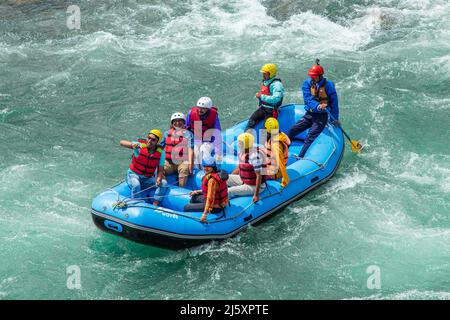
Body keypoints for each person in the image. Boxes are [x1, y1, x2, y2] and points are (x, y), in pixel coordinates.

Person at [288, 60, 340, 158]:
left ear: (320, 76)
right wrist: (317, 106)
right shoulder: (306, 83)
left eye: (314, 76)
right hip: (310, 114)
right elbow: (307, 100)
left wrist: (335, 119)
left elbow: (334, 103)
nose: (312, 77)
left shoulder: (328, 86)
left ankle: (301, 157)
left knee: (309, 137)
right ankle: (283, 151)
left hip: (321, 116)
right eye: (311, 76)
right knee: (292, 130)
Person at [120, 129, 168, 206]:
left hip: (147, 179)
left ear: (157, 142)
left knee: (164, 183)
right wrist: (132, 145)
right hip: (133, 175)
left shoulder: (161, 153)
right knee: (136, 185)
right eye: (149, 138)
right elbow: (121, 142)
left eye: (153, 140)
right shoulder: (139, 146)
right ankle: (136, 203)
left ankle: (155, 203)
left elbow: (160, 170)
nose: (149, 141)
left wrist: (159, 178)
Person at [184, 156, 229, 223]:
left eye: (208, 166)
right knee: (194, 197)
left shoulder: (212, 180)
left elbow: (209, 198)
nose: (205, 168)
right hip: (217, 202)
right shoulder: (216, 174)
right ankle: (196, 209)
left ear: (212, 167)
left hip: (216, 207)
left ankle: (193, 219)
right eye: (204, 166)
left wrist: (204, 215)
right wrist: (196, 191)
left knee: (186, 207)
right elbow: (212, 190)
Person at [227, 133, 266, 203]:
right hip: (244, 180)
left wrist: (256, 195)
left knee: (229, 191)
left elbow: (259, 176)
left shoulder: (254, 157)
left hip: (254, 186)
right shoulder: (242, 152)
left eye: (240, 143)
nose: (238, 144)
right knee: (224, 178)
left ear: (245, 144)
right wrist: (230, 178)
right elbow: (239, 167)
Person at [245, 63, 285, 131]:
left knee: (264, 130)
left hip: (272, 110)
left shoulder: (277, 85)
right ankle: (246, 139)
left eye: (265, 73)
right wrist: (260, 97)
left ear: (271, 74)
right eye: (263, 73)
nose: (263, 75)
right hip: (263, 108)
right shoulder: (266, 82)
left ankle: (267, 141)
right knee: (251, 121)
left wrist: (261, 96)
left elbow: (276, 99)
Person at [160, 112, 194, 187]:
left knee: (184, 170)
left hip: (183, 161)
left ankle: (180, 189)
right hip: (169, 162)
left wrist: (190, 166)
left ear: (183, 122)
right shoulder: (166, 134)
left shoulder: (188, 134)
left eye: (180, 121)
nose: (177, 123)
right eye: (175, 121)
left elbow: (190, 150)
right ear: (172, 123)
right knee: (159, 170)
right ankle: (164, 186)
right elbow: (160, 148)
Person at [186, 96, 223, 165]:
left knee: (204, 151)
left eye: (203, 109)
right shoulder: (191, 113)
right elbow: (186, 129)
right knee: (196, 152)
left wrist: (218, 153)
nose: (200, 110)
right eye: (199, 108)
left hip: (208, 141)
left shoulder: (214, 116)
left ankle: (210, 167)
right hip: (196, 139)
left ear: (208, 109)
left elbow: (217, 134)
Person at [263, 117, 291, 188]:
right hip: (270, 165)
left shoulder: (275, 144)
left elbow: (280, 162)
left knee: (248, 168)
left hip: (274, 173)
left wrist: (285, 181)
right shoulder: (281, 134)